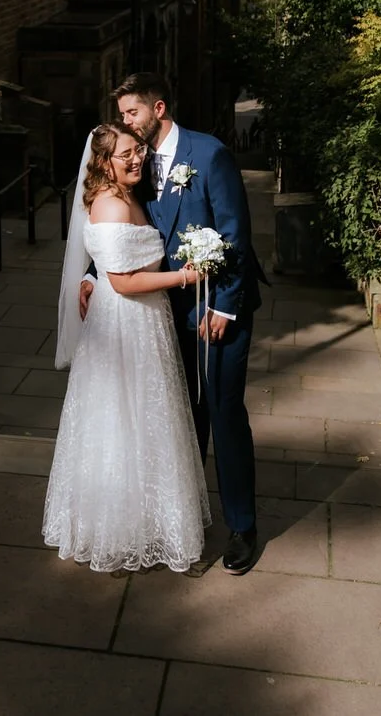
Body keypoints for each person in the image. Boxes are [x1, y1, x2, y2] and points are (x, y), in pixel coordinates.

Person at [82, 72, 265, 574]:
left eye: (131, 113)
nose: (125, 122)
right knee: (183, 421)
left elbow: (235, 235)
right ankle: (187, 515)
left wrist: (225, 305)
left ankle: (242, 527)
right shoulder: (133, 164)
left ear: (157, 109)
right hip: (163, 318)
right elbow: (124, 230)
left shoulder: (209, 155)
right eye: (122, 116)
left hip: (216, 312)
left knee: (224, 415)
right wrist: (94, 274)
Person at [43, 121, 211, 573]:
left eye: (138, 150)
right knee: (121, 419)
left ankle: (152, 522)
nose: (136, 159)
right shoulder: (112, 205)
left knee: (150, 420)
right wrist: (184, 276)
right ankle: (117, 528)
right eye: (125, 155)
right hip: (123, 326)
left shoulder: (130, 195)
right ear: (103, 163)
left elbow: (105, 267)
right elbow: (123, 280)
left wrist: (89, 275)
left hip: (144, 322)